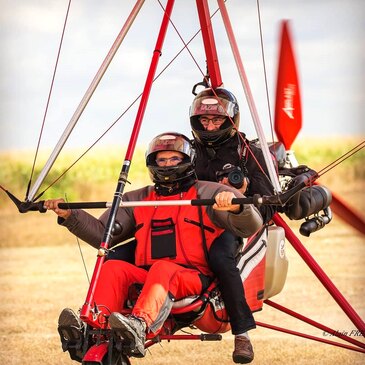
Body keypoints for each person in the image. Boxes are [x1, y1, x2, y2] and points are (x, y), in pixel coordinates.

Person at [45, 132, 263, 362]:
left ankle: (139, 326)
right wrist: (70, 214)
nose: (167, 165)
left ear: (187, 160)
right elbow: (102, 234)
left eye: (174, 159)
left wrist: (236, 207)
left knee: (163, 268)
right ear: (153, 163)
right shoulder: (138, 198)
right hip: (150, 276)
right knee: (114, 267)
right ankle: (91, 327)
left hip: (192, 278)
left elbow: (250, 226)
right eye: (162, 160)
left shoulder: (209, 192)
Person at [189, 87, 276, 363]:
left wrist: (243, 192)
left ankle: (242, 333)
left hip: (233, 226)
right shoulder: (189, 153)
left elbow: (270, 205)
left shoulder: (247, 152)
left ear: (230, 121)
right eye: (205, 121)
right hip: (193, 224)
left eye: (216, 120)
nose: (210, 126)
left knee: (220, 257)